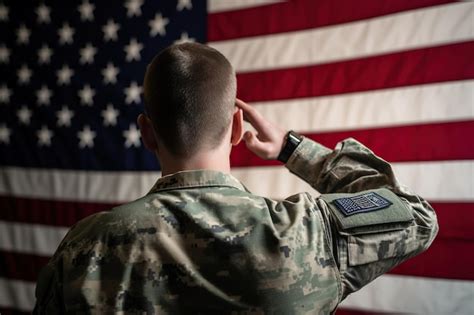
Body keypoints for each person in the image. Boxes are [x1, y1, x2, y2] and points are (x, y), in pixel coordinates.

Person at [34, 43, 438, 314]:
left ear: (146, 131)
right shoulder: (305, 235)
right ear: (237, 126)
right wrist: (292, 148)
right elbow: (416, 215)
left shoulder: (85, 249)